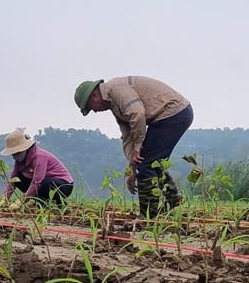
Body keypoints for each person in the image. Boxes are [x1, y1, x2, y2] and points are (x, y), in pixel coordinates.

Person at [74, 76, 193, 217]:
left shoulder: (116, 90)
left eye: (90, 107)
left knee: (146, 163)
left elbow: (137, 114)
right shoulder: (114, 103)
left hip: (173, 113)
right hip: (173, 115)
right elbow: (127, 136)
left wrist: (138, 150)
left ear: (94, 95)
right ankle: (175, 200)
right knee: (153, 162)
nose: (93, 111)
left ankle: (149, 215)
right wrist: (132, 169)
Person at [0, 130, 74, 208]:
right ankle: (40, 203)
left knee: (44, 183)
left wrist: (20, 201)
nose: (14, 156)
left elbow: (37, 182)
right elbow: (13, 179)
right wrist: (5, 198)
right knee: (18, 179)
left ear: (24, 150)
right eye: (13, 154)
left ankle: (56, 204)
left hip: (63, 185)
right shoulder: (20, 160)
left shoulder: (39, 157)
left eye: (16, 153)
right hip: (42, 183)